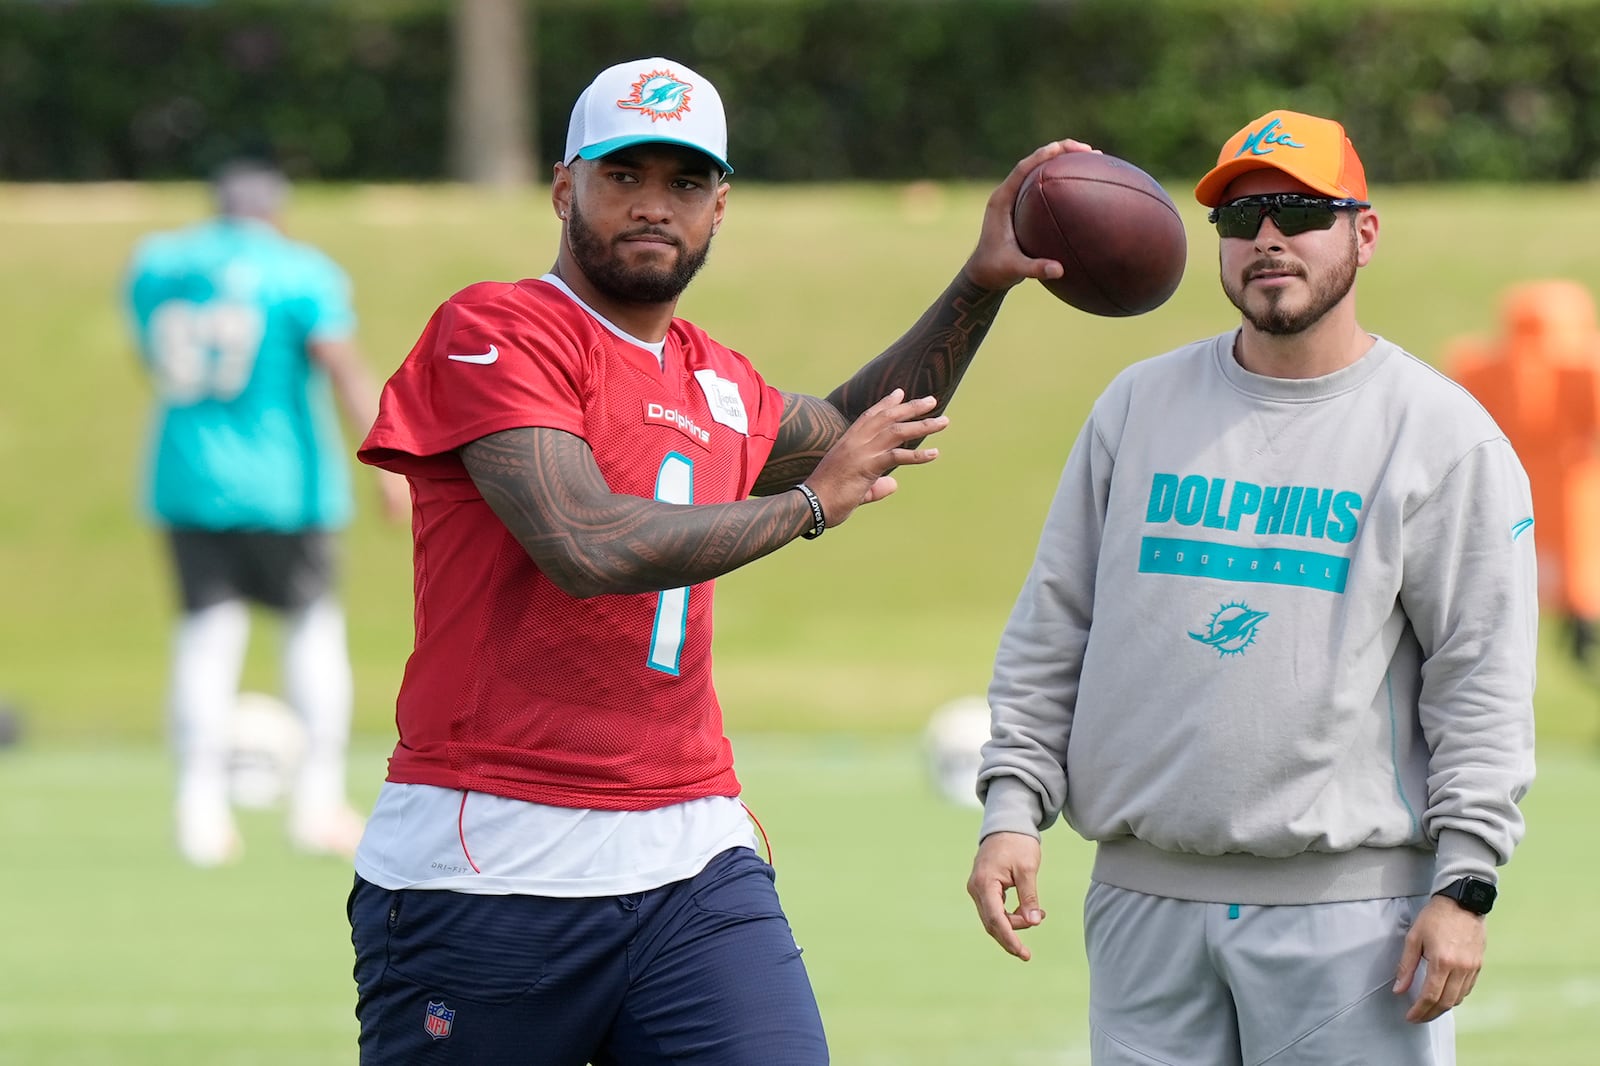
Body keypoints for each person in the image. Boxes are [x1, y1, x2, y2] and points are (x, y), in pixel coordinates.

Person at [347, 55, 1085, 1065]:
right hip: (492, 853)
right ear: (565, 188)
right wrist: (812, 506)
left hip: (689, 849)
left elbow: (852, 430)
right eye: (625, 176)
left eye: (685, 182)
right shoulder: (497, 328)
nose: (655, 205)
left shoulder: (714, 379)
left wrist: (980, 282)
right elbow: (584, 541)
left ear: (719, 206)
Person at [966, 109, 1537, 1065]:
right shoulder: (1136, 407)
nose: (1267, 237)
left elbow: (1480, 678)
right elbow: (1054, 625)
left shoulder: (1442, 435)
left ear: (1364, 231)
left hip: (1354, 923)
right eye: (1240, 219)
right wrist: (1012, 808)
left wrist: (1465, 883)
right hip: (1142, 913)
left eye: (1297, 211)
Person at [124, 158, 410, 868]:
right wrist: (390, 463)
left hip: (187, 473)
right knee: (311, 632)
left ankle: (198, 809)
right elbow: (340, 362)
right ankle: (316, 801)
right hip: (283, 482)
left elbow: (151, 351)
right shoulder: (298, 271)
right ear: (276, 214)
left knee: (206, 637)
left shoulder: (159, 264)